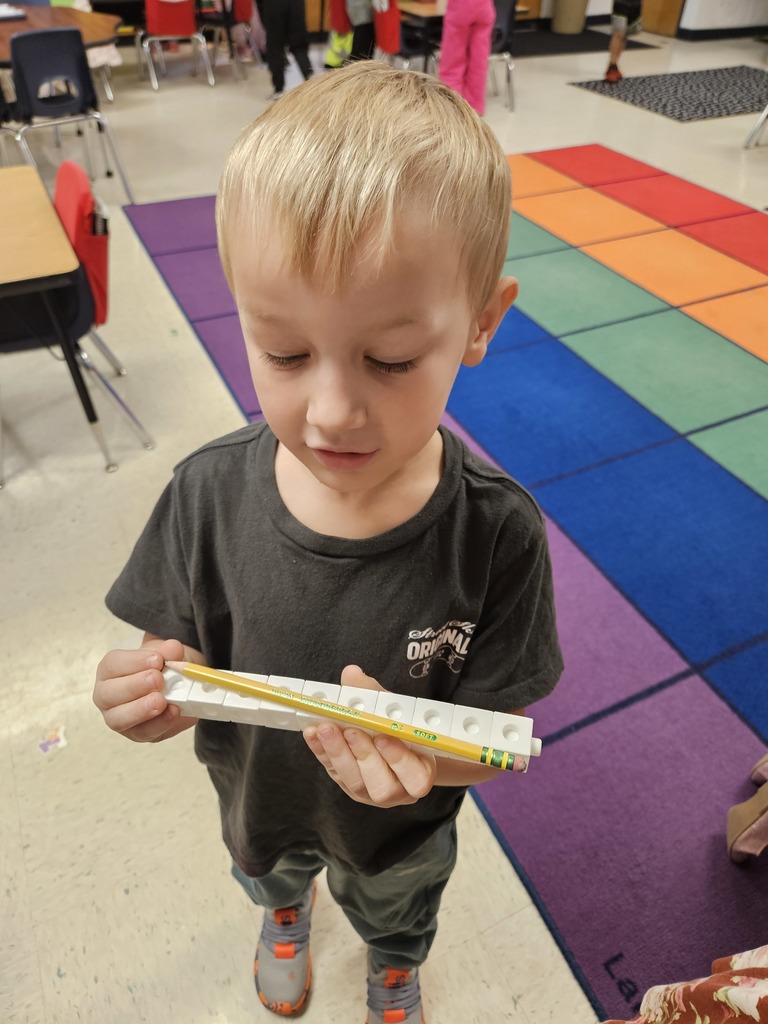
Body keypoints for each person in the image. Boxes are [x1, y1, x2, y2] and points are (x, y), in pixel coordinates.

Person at [93, 61, 563, 1023]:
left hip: (401, 832)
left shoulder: (498, 534)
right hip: (257, 799)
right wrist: (151, 689)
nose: (333, 412)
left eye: (391, 359)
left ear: (481, 323)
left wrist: (429, 761)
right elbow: (171, 651)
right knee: (269, 875)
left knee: (398, 911)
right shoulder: (206, 492)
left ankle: (393, 964)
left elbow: (496, 741)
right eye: (285, 353)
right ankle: (284, 916)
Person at [438, 0, 496, 116]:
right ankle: (475, 106)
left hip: (461, 7)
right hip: (485, 7)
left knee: (452, 63)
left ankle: (450, 106)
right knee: (479, 61)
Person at [259, 0, 313, 100]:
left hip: (273, 5)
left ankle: (278, 89)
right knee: (299, 44)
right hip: (295, 3)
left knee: (274, 46)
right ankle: (310, 80)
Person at [605, 0, 643, 84]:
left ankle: (614, 65)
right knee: (618, 34)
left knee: (624, 36)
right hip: (621, 4)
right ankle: (612, 67)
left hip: (636, 5)